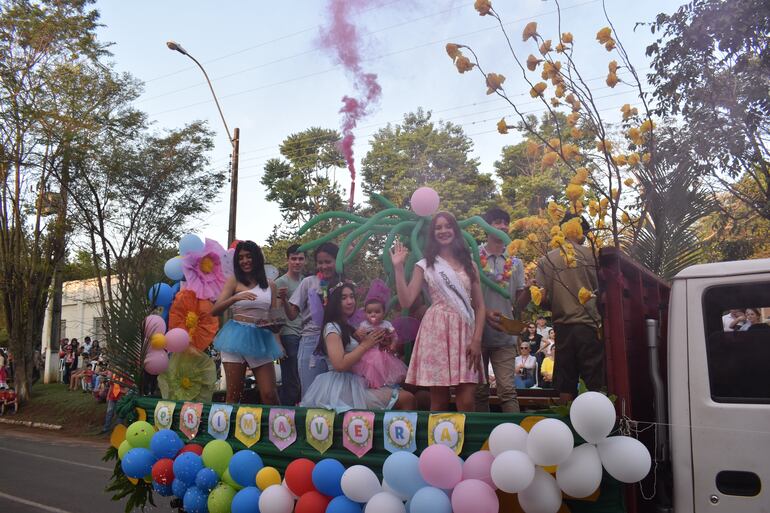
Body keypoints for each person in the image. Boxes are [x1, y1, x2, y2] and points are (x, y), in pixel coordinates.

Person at [391, 212, 486, 412]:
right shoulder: (425, 265)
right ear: (432, 233)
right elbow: (406, 300)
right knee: (439, 400)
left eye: (448, 226)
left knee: (467, 400)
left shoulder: (470, 265)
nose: (443, 231)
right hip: (437, 331)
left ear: (455, 230)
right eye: (438, 227)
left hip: (465, 332)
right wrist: (398, 268)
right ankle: (438, 434)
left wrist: (477, 339)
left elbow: (479, 306)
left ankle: (466, 434)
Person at [300, 283, 414, 412]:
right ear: (335, 302)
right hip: (342, 387)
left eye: (352, 296)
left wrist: (380, 344)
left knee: (406, 392)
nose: (350, 301)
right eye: (344, 298)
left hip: (357, 382)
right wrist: (365, 345)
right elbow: (339, 364)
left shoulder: (349, 327)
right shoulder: (332, 327)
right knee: (407, 398)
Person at [534, 213, 604, 402]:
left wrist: (559, 301)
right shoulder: (593, 256)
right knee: (595, 382)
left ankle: (566, 417)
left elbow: (542, 298)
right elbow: (604, 292)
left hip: (563, 327)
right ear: (581, 231)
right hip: (590, 326)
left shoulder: (546, 260)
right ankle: (596, 416)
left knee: (566, 382)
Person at [212, 240, 283, 404]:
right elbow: (215, 310)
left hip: (260, 338)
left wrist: (276, 332)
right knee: (234, 394)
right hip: (235, 337)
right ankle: (229, 421)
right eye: (241, 257)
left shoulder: (271, 285)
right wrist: (235, 298)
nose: (245, 261)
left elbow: (275, 317)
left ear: (256, 258)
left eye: (249, 256)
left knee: (269, 394)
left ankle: (279, 421)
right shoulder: (234, 281)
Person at [474, 207, 525, 413]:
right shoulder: (473, 256)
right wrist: (483, 313)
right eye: (497, 222)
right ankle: (480, 432)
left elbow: (519, 303)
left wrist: (531, 291)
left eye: (506, 222)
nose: (503, 226)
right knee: (479, 391)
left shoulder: (516, 261)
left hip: (505, 335)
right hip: (476, 334)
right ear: (486, 227)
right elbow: (464, 294)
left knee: (508, 391)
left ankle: (515, 431)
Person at [283, 242, 341, 395]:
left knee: (334, 394)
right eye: (320, 262)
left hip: (338, 341)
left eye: (328, 261)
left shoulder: (343, 284)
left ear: (337, 261)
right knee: (310, 392)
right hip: (311, 341)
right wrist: (283, 300)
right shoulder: (308, 282)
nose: (324, 266)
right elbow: (292, 315)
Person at [351, 296, 408, 388]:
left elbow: (394, 336)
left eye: (377, 312)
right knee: (371, 370)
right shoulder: (364, 325)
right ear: (365, 313)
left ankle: (384, 385)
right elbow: (357, 337)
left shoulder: (387, 324)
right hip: (368, 353)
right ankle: (373, 384)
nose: (373, 314)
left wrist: (393, 345)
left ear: (383, 313)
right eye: (369, 312)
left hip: (383, 353)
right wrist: (358, 334)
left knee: (385, 370)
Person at [275, 244, 306, 406]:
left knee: (303, 380)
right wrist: (278, 341)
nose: (297, 262)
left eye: (300, 258)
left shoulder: (306, 281)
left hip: (305, 334)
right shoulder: (281, 282)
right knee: (291, 381)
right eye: (293, 258)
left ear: (305, 260)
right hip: (288, 334)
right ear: (287, 260)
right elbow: (275, 313)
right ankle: (284, 415)